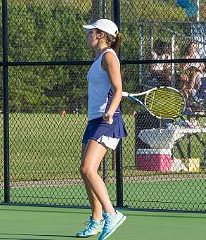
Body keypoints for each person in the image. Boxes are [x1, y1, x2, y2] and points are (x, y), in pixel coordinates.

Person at [77, 19, 127, 240]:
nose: (89, 35)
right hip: (94, 120)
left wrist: (110, 110)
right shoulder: (98, 58)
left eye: (92, 32)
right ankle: (96, 220)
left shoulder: (108, 56)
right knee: (85, 170)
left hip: (107, 121)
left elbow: (118, 89)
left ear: (101, 35)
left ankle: (112, 214)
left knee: (88, 168)